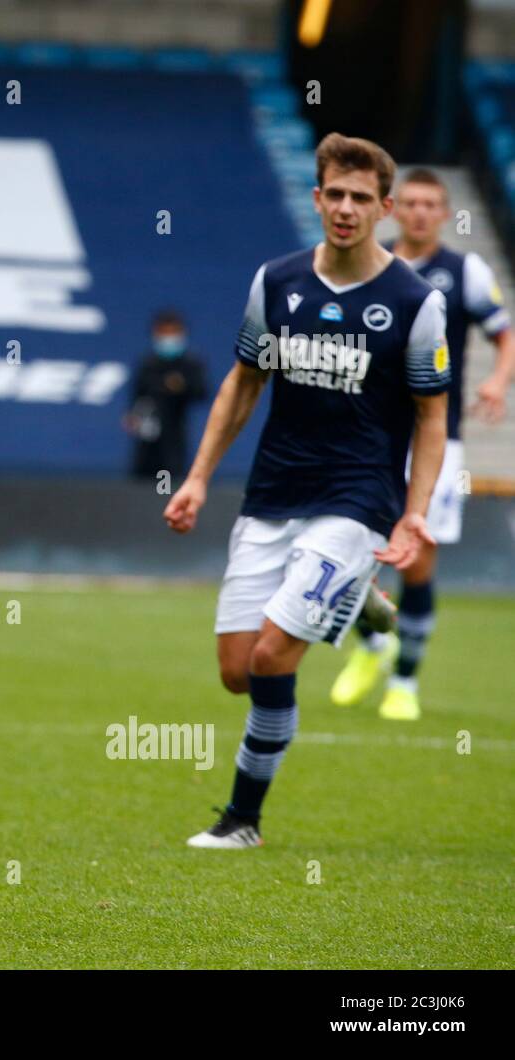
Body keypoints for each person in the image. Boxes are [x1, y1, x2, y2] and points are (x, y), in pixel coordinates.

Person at [162, 133, 449, 848]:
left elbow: (432, 414)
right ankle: (354, 602)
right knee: (236, 672)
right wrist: (197, 478)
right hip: (272, 493)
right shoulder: (277, 282)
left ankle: (242, 819)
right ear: (317, 198)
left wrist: (413, 514)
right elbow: (243, 383)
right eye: (335, 195)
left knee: (271, 657)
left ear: (383, 208)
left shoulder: (414, 303)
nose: (346, 209)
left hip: (357, 501)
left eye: (361, 198)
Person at [330, 167, 513, 721]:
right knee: (344, 554)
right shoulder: (369, 264)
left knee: (417, 562)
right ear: (391, 208)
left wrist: (496, 380)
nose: (418, 212)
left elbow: (504, 331)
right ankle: (372, 645)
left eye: (430, 204)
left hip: (437, 441)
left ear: (441, 212)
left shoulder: (466, 271)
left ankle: (404, 682)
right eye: (408, 202)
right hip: (366, 438)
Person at [123, 310, 208, 480]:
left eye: (173, 332)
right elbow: (137, 395)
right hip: (146, 438)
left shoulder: (190, 364)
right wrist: (132, 414)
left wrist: (181, 387)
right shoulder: (147, 363)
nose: (168, 338)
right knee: (141, 482)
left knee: (168, 483)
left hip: (174, 438)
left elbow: (201, 393)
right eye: (164, 332)